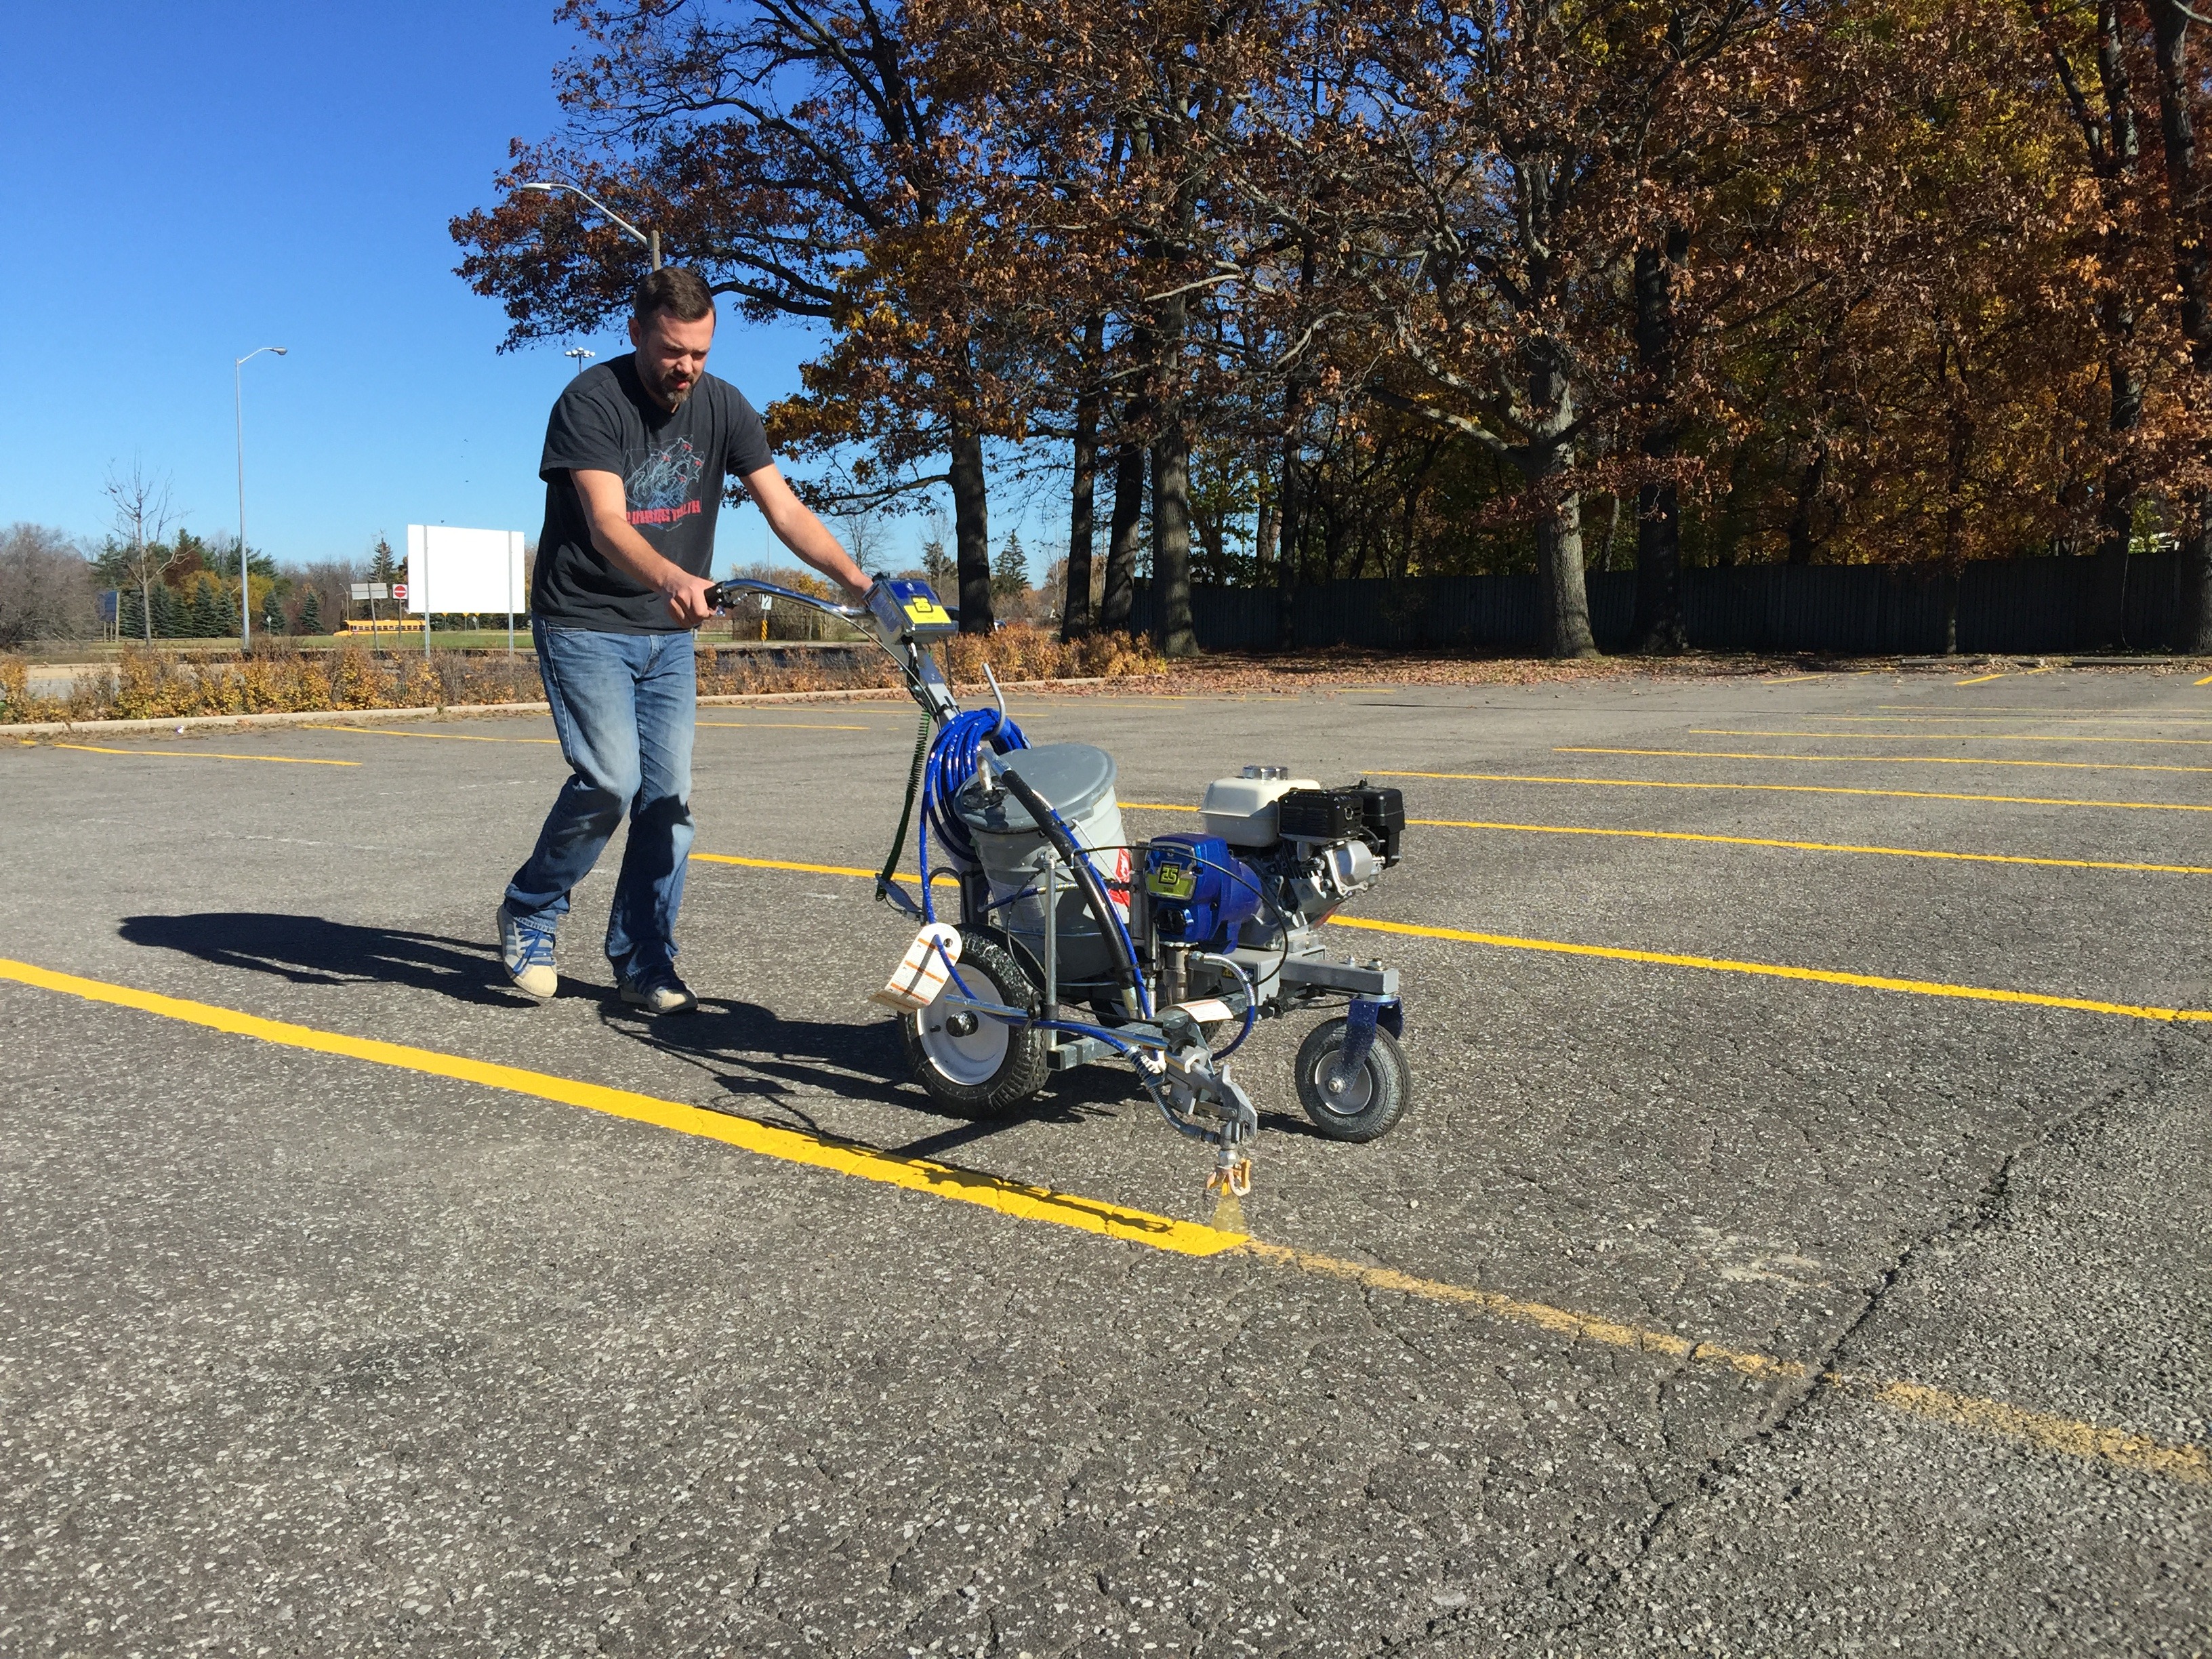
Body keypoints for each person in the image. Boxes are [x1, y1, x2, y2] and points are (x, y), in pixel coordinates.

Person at [497, 266, 870, 1012]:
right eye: (673, 351)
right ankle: (532, 907)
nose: (686, 369)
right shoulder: (590, 402)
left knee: (668, 800)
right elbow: (606, 522)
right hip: (586, 619)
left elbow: (785, 511)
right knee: (610, 781)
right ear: (637, 331)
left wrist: (863, 587)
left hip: (667, 635)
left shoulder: (724, 407)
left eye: (699, 353)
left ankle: (644, 958)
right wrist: (672, 579)